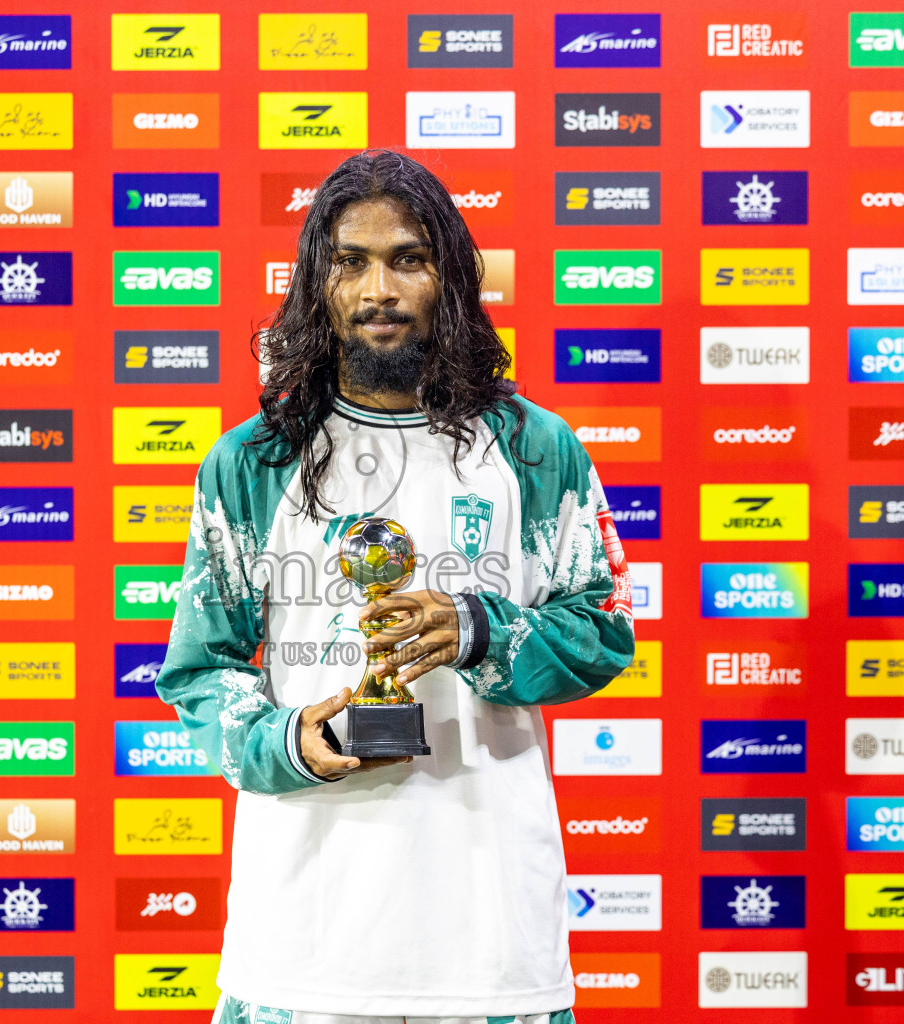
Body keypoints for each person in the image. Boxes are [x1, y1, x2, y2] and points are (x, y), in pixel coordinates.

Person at [156, 149, 636, 1024]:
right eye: (351, 262)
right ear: (317, 281)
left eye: (408, 259)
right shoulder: (254, 460)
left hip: (492, 939)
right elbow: (201, 671)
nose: (379, 289)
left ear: (449, 276)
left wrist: (484, 631)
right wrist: (290, 740)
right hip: (301, 944)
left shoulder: (534, 447)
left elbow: (603, 631)